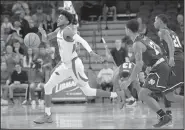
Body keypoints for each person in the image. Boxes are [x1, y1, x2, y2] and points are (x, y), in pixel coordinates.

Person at [33, 9, 124, 124]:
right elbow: (46, 39)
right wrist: (42, 33)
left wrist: (91, 53)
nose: (58, 19)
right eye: (59, 17)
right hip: (65, 65)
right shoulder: (58, 30)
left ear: (67, 21)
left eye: (61, 18)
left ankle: (116, 94)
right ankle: (47, 115)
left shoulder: (67, 31)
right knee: (48, 86)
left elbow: (82, 40)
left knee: (87, 92)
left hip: (74, 65)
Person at [121, 19, 183, 128]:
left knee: (142, 94)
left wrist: (129, 81)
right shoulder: (144, 38)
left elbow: (138, 65)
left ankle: (164, 117)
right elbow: (158, 48)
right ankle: (165, 117)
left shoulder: (136, 44)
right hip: (162, 65)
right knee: (170, 96)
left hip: (160, 68)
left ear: (129, 30)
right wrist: (150, 65)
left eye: (125, 28)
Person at [154, 14, 184, 121]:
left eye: (155, 20)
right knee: (168, 93)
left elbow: (171, 45)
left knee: (167, 91)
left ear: (161, 21)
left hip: (175, 61)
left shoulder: (162, 31)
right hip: (179, 59)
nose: (154, 22)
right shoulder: (173, 32)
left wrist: (171, 58)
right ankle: (168, 112)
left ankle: (168, 112)